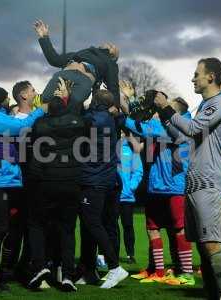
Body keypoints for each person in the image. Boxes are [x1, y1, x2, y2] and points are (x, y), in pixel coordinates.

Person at [154, 57, 221, 299]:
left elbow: (192, 128)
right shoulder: (208, 105)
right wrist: (165, 114)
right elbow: (187, 135)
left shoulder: (220, 103)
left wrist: (167, 106)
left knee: (212, 244)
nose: (193, 78)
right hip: (197, 181)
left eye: (197, 74)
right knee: (203, 245)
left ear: (211, 77)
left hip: (209, 182)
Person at [0, 86, 47, 291]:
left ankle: (4, 270)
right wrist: (40, 110)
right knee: (0, 229)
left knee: (11, 229)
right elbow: (21, 127)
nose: (10, 101)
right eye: (7, 98)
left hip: (9, 179)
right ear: (1, 100)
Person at [125, 96, 194, 286]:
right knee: (152, 228)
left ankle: (187, 273)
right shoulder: (159, 128)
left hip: (174, 187)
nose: (158, 112)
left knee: (179, 229)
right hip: (156, 186)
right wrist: (129, 106)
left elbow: (146, 128)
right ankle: (158, 271)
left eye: (164, 109)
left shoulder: (180, 127)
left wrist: (123, 118)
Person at [27, 78, 87, 292]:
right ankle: (68, 275)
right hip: (71, 182)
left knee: (37, 225)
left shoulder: (39, 124)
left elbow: (33, 154)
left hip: (45, 181)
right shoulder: (78, 122)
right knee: (68, 229)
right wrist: (68, 97)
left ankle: (40, 266)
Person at [76, 89, 128, 289]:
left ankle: (114, 267)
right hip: (108, 180)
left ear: (95, 101)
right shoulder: (113, 119)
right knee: (97, 225)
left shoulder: (92, 118)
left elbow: (79, 117)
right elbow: (123, 118)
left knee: (91, 223)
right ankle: (89, 271)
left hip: (93, 179)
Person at [33, 19, 120, 111]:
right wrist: (44, 37)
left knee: (71, 106)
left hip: (83, 80)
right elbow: (55, 60)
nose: (112, 45)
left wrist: (115, 105)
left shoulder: (110, 62)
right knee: (46, 100)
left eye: (113, 48)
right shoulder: (80, 54)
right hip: (63, 76)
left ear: (113, 56)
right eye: (111, 45)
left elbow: (113, 85)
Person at [117, 131, 143, 264]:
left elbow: (138, 171)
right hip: (112, 196)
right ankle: (109, 254)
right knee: (110, 226)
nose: (122, 134)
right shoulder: (110, 146)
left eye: (124, 132)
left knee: (128, 226)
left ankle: (130, 254)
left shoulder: (132, 149)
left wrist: (130, 187)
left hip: (126, 196)